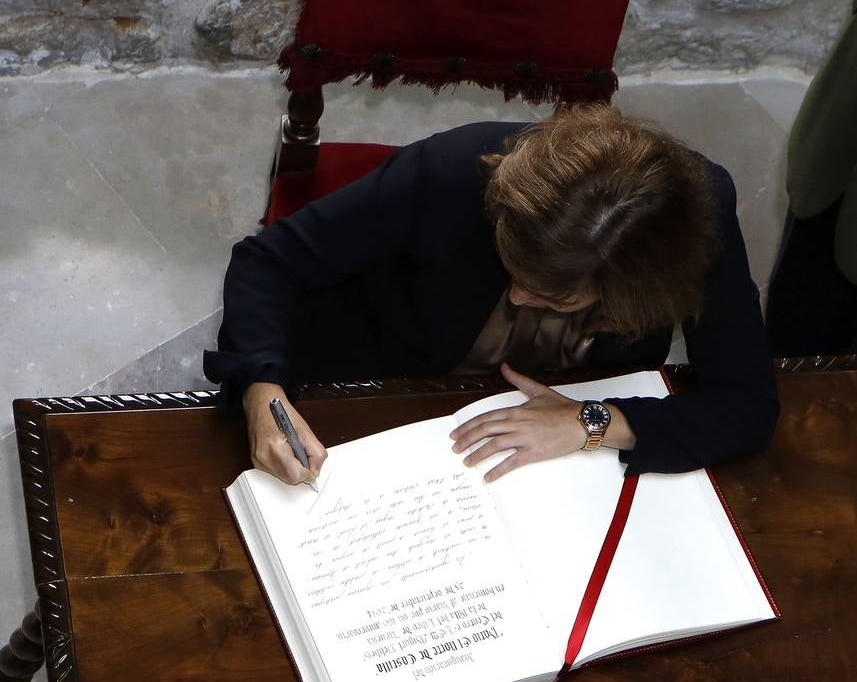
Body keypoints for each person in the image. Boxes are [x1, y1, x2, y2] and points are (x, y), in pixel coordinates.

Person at [204, 103, 779, 487]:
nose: (522, 299)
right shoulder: (453, 173)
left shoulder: (696, 216)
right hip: (387, 389)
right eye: (515, 269)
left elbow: (747, 403)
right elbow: (268, 264)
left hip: (559, 456)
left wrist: (593, 422)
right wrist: (261, 390)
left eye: (556, 299)